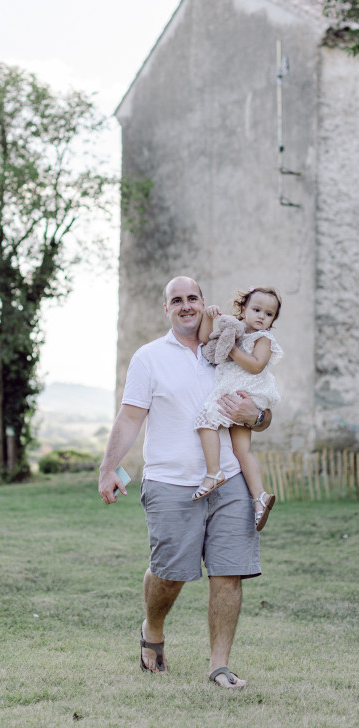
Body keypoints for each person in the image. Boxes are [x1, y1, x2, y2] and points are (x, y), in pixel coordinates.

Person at [98, 276, 271, 689]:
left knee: (229, 572)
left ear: (203, 303)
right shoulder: (149, 357)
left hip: (229, 480)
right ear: (167, 309)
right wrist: (108, 468)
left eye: (192, 297)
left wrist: (258, 418)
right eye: (177, 300)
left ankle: (219, 665)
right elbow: (130, 418)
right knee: (170, 573)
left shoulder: (230, 352)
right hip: (171, 482)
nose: (186, 305)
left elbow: (260, 410)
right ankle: (153, 629)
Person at [192, 287, 283, 532]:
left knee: (205, 419)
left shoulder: (262, 339)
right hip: (236, 390)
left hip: (243, 392)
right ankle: (260, 498)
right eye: (256, 310)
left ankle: (213, 473)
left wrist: (230, 348)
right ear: (242, 309)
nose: (262, 317)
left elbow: (255, 366)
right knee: (241, 451)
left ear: (273, 319)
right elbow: (205, 339)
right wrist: (210, 317)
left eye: (269, 314)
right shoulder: (232, 329)